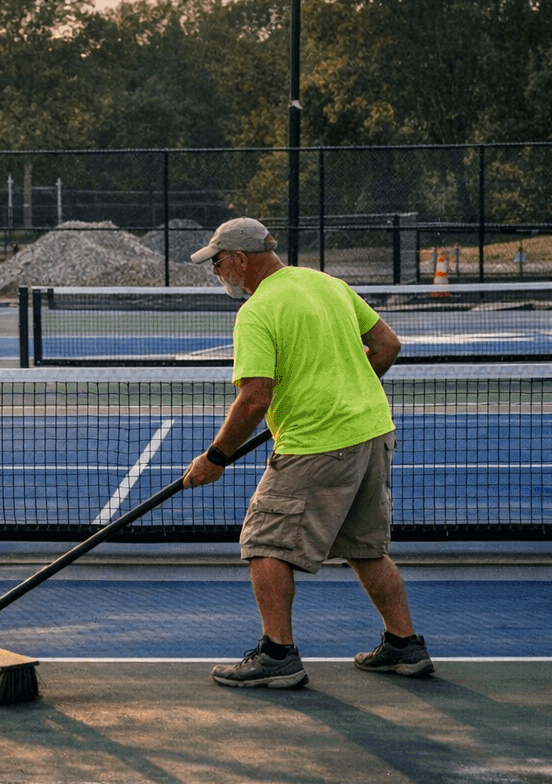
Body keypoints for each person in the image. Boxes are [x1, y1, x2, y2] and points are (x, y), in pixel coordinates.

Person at [181, 217, 433, 689]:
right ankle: (404, 644)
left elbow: (255, 397)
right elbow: (386, 345)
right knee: (365, 548)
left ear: (239, 259)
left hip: (317, 443)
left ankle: (277, 655)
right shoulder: (326, 284)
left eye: (217, 262)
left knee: (264, 543)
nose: (216, 272)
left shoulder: (257, 312)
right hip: (371, 431)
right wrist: (345, 389)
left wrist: (215, 458)